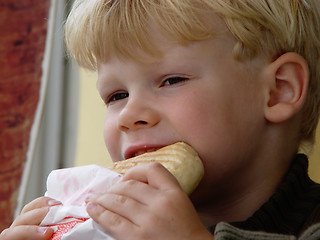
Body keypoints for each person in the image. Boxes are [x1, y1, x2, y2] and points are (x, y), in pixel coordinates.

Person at [2, 0, 320, 239]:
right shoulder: (100, 230)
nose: (129, 115)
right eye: (117, 96)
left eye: (171, 81)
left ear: (278, 90)